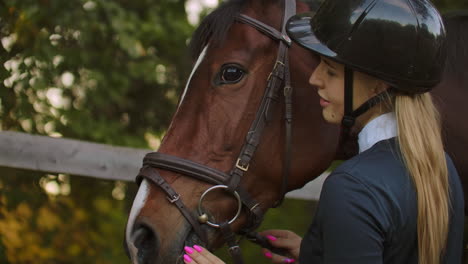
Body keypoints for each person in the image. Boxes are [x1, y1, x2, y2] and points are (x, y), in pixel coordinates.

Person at [181, 0, 465, 263]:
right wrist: (319, 253)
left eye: (330, 71)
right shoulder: (441, 166)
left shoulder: (353, 186)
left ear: (378, 85)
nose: (315, 79)